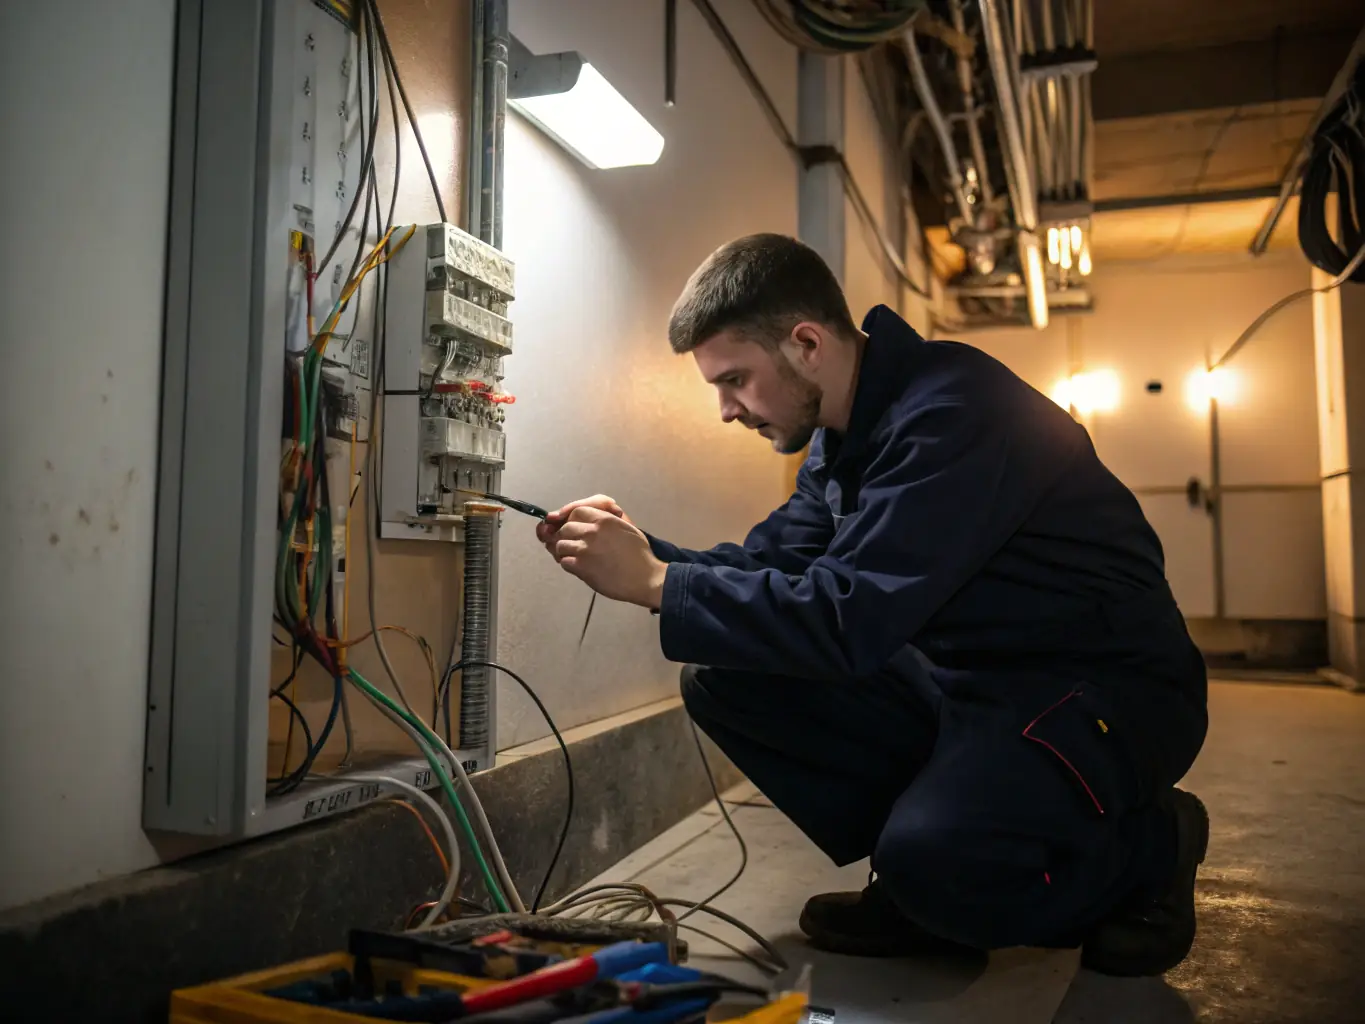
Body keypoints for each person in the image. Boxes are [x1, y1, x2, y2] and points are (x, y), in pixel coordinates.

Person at [534, 233, 1209, 977]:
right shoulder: (844, 440)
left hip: (1100, 696)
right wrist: (641, 554)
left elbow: (844, 620)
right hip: (978, 688)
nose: (726, 409)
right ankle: (919, 884)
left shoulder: (954, 414)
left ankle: (1149, 850)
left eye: (734, 379)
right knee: (726, 675)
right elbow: (771, 568)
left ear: (804, 343)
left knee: (936, 860)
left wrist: (655, 582)